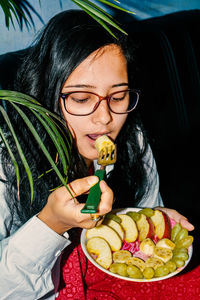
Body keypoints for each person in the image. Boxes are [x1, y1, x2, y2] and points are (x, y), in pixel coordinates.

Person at [0, 9, 194, 300]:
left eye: (118, 96)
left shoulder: (133, 138)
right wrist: (51, 224)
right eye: (81, 98)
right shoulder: (7, 164)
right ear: (47, 95)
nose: (105, 118)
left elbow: (146, 208)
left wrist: (153, 220)